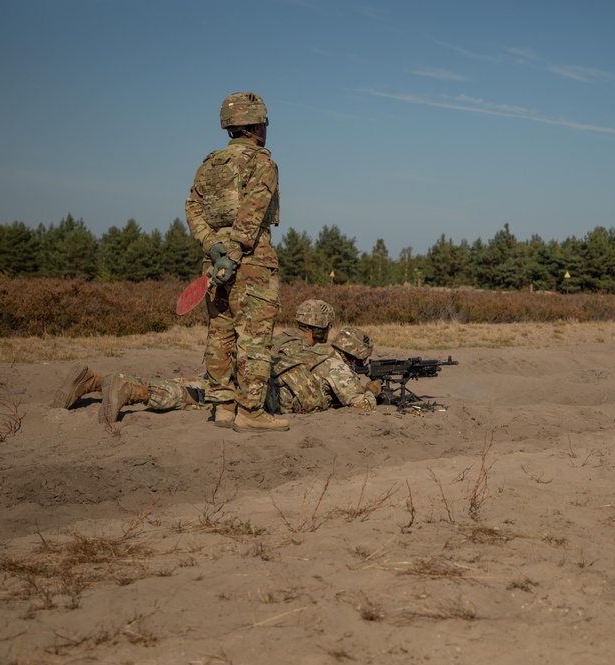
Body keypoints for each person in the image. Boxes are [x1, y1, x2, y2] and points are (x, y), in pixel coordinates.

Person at [54, 303, 382, 428]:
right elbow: (360, 405)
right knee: (190, 397)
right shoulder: (333, 363)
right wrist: (372, 389)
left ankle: (96, 380)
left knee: (192, 384)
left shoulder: (284, 339)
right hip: (258, 394)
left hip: (237, 372)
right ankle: (133, 390)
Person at [184, 91, 284, 432]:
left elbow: (192, 208)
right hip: (251, 261)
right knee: (254, 336)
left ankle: (223, 406)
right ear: (256, 124)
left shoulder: (209, 165)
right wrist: (236, 253)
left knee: (221, 333)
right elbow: (253, 210)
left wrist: (213, 247)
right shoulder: (262, 162)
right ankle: (251, 412)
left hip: (213, 262)